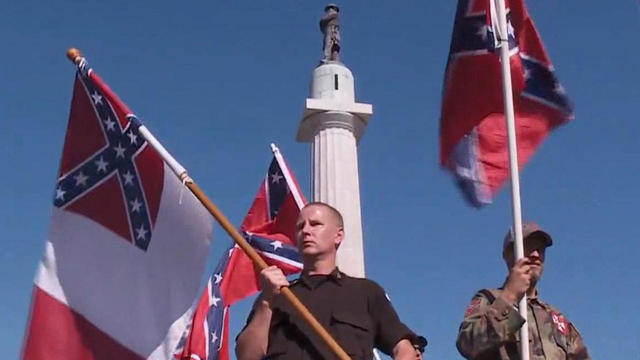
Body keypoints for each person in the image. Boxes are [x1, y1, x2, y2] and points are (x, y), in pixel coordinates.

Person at [236, 202, 426, 360]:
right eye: (300, 226)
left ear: (338, 235)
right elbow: (247, 356)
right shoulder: (275, 294)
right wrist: (267, 300)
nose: (306, 231)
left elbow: (404, 348)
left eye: (315, 224)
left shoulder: (365, 292)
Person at [456, 222, 591, 360]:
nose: (535, 255)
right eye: (527, 247)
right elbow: (467, 344)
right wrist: (510, 296)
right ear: (507, 255)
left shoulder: (557, 320)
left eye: (540, 249)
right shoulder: (489, 300)